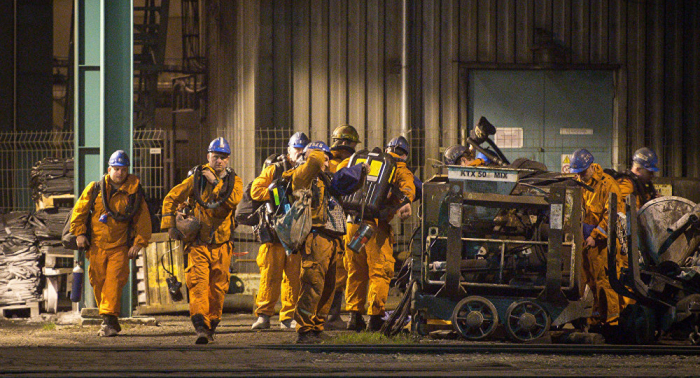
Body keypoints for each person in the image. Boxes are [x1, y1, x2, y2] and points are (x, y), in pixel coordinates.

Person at [161, 137, 243, 344]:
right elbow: (171, 197)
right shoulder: (196, 179)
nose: (219, 161)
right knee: (198, 285)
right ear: (208, 156)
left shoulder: (235, 182)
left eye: (223, 158)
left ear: (228, 159)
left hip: (222, 244)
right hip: (198, 244)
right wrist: (170, 225)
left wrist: (215, 182)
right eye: (216, 157)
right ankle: (201, 328)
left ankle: (211, 325)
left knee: (218, 289)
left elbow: (231, 201)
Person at [282, 141, 364, 343]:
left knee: (328, 288)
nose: (326, 161)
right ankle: (304, 330)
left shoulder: (326, 180)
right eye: (323, 157)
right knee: (312, 285)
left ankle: (317, 327)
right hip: (316, 237)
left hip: (334, 240)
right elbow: (316, 160)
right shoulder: (302, 176)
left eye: (328, 158)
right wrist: (315, 154)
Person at [70, 150, 152, 337]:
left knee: (113, 282)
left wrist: (138, 243)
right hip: (96, 246)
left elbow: (143, 220)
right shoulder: (95, 189)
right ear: (109, 169)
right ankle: (111, 319)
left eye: (123, 169)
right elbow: (80, 212)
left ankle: (107, 320)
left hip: (120, 247)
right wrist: (80, 234)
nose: (120, 173)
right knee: (97, 282)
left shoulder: (134, 192)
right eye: (116, 169)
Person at [344, 136, 416, 332]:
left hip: (352, 224)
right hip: (375, 227)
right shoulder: (399, 167)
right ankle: (374, 318)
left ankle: (354, 317)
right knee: (380, 270)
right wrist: (406, 201)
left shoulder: (364, 160)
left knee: (356, 270)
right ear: (405, 154)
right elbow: (408, 188)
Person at [251, 132, 309, 330]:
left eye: (303, 149)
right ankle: (264, 316)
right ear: (289, 150)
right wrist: (275, 191)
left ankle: (287, 317)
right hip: (274, 234)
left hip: (295, 235)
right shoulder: (275, 169)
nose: (300, 153)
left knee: (294, 278)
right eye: (297, 149)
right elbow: (255, 190)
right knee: (270, 275)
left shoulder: (308, 171)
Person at [569, 148, 626, 327]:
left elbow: (614, 214)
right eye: (577, 173)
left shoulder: (608, 184)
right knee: (589, 282)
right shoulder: (579, 182)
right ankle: (595, 318)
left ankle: (612, 321)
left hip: (603, 244)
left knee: (606, 281)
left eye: (582, 172)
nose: (580, 176)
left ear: (591, 167)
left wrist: (595, 235)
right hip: (586, 242)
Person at [325, 125, 361, 330]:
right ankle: (331, 316)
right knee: (339, 269)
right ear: (347, 143)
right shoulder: (347, 164)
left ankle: (325, 315)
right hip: (340, 220)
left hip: (324, 221)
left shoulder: (325, 160)